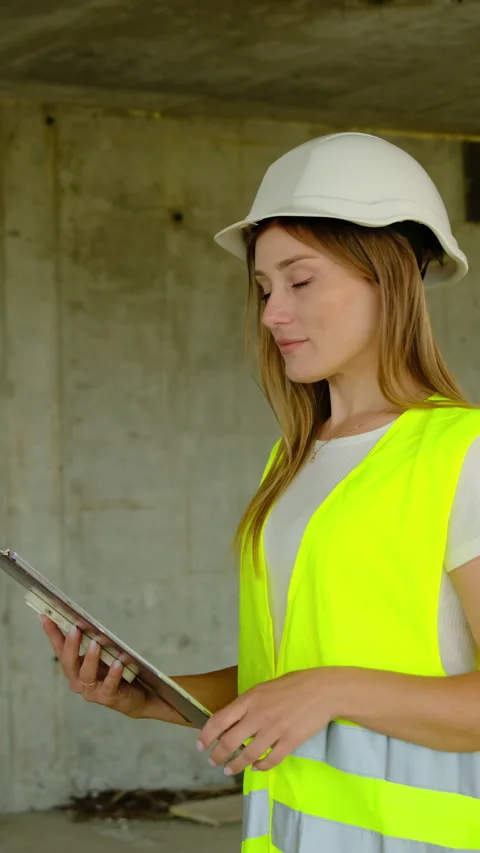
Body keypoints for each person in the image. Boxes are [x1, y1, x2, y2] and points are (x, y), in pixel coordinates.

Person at [42, 132, 480, 852]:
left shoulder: (463, 454)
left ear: (389, 274)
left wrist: (333, 688)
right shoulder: (291, 462)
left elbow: (323, 685)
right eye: (264, 287)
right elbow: (288, 679)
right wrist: (154, 694)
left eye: (301, 281)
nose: (273, 312)